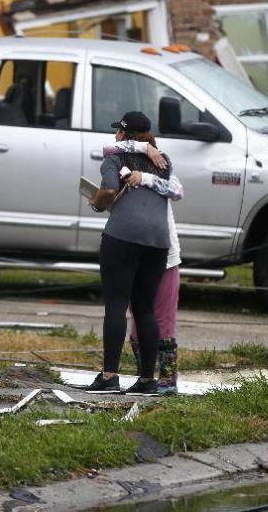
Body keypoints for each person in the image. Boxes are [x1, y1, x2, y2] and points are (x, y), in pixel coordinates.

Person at [86, 111, 172, 396]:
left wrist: (97, 204)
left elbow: (109, 190)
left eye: (117, 131)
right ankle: (148, 380)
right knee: (144, 308)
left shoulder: (114, 158)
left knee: (115, 304)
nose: (114, 136)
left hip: (122, 237)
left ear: (123, 134)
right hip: (158, 241)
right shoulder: (163, 161)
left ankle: (110, 376)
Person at [102, 139, 183, 395]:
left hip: (167, 255)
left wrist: (145, 177)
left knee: (160, 318)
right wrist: (143, 148)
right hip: (154, 249)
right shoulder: (133, 161)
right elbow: (108, 148)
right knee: (141, 314)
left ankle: (167, 379)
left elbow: (177, 191)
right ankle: (145, 377)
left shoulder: (162, 169)